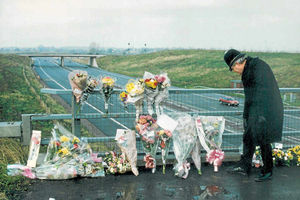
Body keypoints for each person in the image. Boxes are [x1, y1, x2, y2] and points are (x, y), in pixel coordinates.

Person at [224, 49, 283, 182]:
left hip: (268, 109)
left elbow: (263, 93)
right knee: (248, 136)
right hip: (256, 109)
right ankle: (244, 166)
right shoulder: (247, 70)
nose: (233, 70)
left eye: (232, 68)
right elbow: (249, 96)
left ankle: (268, 171)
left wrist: (261, 116)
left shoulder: (258, 67)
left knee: (264, 140)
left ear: (238, 62)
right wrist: (246, 116)